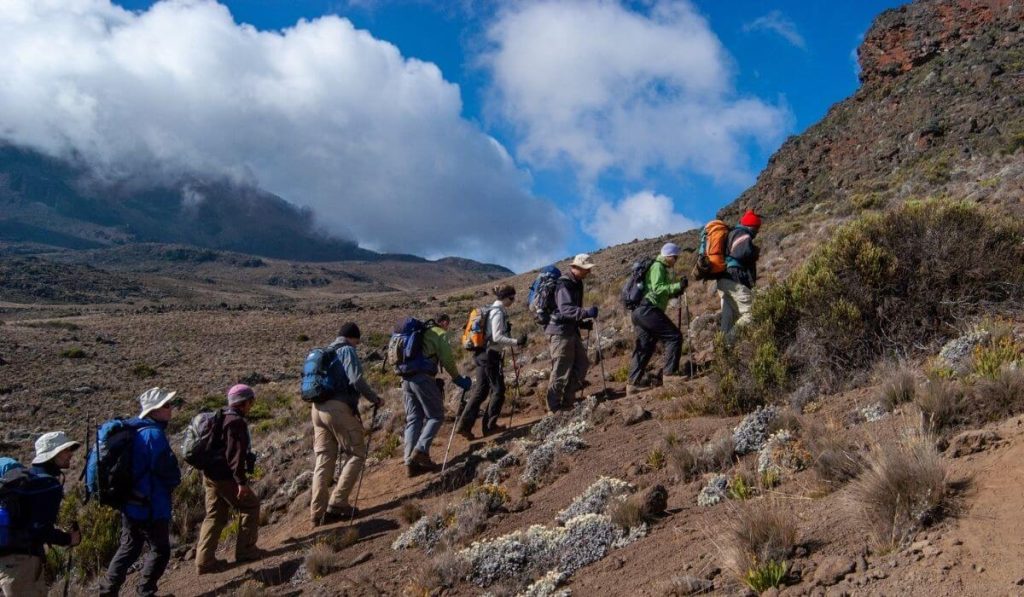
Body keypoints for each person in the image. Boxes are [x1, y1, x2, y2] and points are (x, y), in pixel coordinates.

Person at [100, 388, 182, 597]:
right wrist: (173, 482)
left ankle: (107, 592)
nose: (170, 408)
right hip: (152, 504)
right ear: (154, 411)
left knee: (128, 548)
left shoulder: (132, 430)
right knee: (160, 549)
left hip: (129, 503)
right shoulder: (153, 434)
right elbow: (167, 470)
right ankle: (146, 591)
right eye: (165, 405)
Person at [310, 322, 383, 526]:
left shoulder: (326, 352)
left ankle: (317, 512)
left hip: (317, 409)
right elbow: (356, 379)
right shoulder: (346, 351)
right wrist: (374, 398)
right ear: (353, 338)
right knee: (357, 453)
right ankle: (338, 502)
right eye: (357, 341)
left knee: (324, 459)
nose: (357, 345)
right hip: (337, 408)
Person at [0, 432, 81, 597]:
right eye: (65, 450)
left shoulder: (27, 480)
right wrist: (68, 539)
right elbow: (40, 530)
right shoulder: (48, 485)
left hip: (6, 561)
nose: (70, 454)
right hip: (21, 562)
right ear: (52, 456)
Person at [195, 384, 263, 574]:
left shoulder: (221, 416)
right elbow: (235, 455)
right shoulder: (235, 422)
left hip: (210, 474)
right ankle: (247, 550)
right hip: (224, 477)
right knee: (250, 506)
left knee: (215, 516)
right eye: (251, 401)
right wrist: (241, 483)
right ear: (244, 402)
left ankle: (204, 561)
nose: (252, 405)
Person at [403, 314, 472, 477]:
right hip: (423, 378)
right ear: (444, 322)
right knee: (436, 415)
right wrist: (457, 379)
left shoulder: (420, 333)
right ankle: (420, 451)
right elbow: (447, 359)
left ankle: (409, 463)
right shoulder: (439, 333)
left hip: (405, 379)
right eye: (447, 324)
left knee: (414, 418)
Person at [457, 285, 526, 439]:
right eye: (512, 298)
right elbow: (496, 337)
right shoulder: (497, 313)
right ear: (507, 297)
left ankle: (464, 426)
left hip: (482, 354)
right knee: (498, 390)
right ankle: (489, 427)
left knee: (481, 391)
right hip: (490, 355)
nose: (513, 302)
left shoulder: (491, 310)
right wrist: (516, 341)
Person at [627, 243, 687, 393]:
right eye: (675, 257)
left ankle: (632, 385)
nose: (676, 260)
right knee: (674, 337)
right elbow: (658, 288)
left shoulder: (658, 267)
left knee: (646, 347)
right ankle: (669, 375)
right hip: (648, 310)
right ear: (668, 256)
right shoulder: (658, 266)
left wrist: (674, 291)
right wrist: (677, 286)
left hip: (640, 312)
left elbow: (658, 290)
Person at [545, 254, 598, 413]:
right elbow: (566, 309)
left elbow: (570, 310)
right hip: (559, 332)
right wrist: (586, 313)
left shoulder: (577, 283)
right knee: (561, 370)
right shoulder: (564, 284)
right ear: (576, 268)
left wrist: (582, 322)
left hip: (570, 330)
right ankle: (553, 408)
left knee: (582, 364)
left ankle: (568, 401)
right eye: (586, 269)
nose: (588, 272)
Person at [718, 210, 762, 341]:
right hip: (735, 279)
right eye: (757, 228)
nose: (757, 232)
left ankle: (722, 351)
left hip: (723, 280)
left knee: (728, 318)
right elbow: (743, 253)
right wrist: (754, 251)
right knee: (752, 313)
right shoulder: (743, 234)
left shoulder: (731, 234)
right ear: (752, 226)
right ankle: (727, 343)